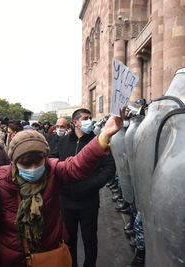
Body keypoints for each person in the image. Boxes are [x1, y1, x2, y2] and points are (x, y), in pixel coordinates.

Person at [0, 109, 124, 267]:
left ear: (46, 157)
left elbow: (77, 165)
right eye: (26, 164)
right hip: (14, 257)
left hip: (50, 254)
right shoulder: (0, 180)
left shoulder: (52, 169)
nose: (33, 168)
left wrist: (104, 135)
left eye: (38, 162)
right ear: (14, 162)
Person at [53, 108, 116, 267]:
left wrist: (92, 184)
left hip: (89, 201)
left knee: (90, 239)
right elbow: (54, 163)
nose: (89, 121)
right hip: (66, 201)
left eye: (90, 118)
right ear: (75, 123)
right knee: (68, 239)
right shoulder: (62, 142)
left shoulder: (98, 141)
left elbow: (109, 168)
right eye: (85, 118)